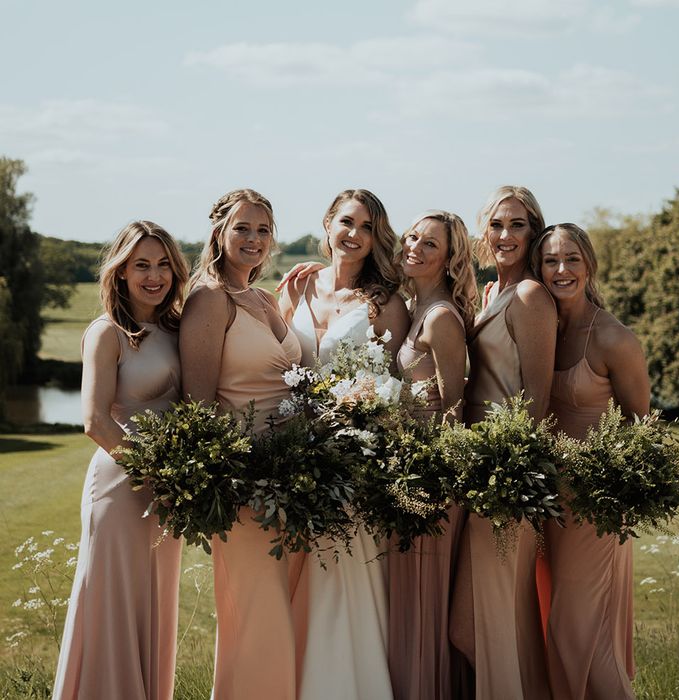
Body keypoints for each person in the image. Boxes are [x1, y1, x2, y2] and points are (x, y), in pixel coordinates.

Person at [280, 188, 409, 700]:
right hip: (292, 452)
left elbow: (395, 386)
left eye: (368, 227)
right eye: (347, 222)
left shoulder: (385, 303)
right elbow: (279, 359)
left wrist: (354, 416)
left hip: (353, 458)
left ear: (377, 238)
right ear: (328, 224)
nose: (355, 235)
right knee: (297, 575)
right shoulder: (298, 285)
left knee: (344, 574)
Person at [53, 221, 188, 700]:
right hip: (121, 484)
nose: (154, 276)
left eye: (163, 265)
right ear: (122, 272)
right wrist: (161, 473)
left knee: (156, 602)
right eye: (142, 265)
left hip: (171, 491)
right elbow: (94, 421)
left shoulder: (176, 327)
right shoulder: (105, 333)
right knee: (112, 604)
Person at [180, 189, 301, 700]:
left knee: (284, 612)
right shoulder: (209, 299)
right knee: (259, 616)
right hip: (246, 483)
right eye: (243, 228)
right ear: (219, 232)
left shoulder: (265, 298)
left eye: (264, 230)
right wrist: (229, 481)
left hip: (294, 480)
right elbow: (199, 406)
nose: (254, 239)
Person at [532, 223, 649, 700]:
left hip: (592, 508)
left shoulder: (613, 339)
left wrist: (607, 488)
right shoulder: (539, 326)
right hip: (544, 503)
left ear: (589, 265)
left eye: (572, 259)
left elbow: (642, 428)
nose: (561, 270)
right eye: (550, 261)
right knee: (553, 623)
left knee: (575, 630)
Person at [449, 185, 556, 700]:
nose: (506, 235)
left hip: (506, 480)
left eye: (518, 225)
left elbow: (538, 397)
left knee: (474, 629)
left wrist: (515, 482)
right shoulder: (491, 292)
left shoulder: (532, 296)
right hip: (476, 470)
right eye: (496, 225)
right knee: (490, 625)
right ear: (482, 232)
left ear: (534, 232)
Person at [388, 210, 476, 700]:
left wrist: (430, 479)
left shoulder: (441, 317)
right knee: (408, 603)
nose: (415, 248)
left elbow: (454, 410)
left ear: (449, 260)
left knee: (424, 606)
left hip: (433, 485)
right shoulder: (414, 307)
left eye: (430, 245)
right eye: (412, 237)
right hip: (408, 478)